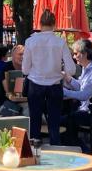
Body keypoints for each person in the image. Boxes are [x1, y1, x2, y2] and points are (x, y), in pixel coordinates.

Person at [22, 9, 75, 144]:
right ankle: (55, 150)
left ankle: (35, 150)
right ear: (54, 24)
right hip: (55, 85)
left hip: (35, 85)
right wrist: (61, 71)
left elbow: (25, 69)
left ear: (40, 24)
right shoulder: (60, 42)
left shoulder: (30, 41)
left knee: (35, 122)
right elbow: (72, 69)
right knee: (54, 124)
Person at [61, 39, 92, 153]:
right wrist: (68, 79)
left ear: (84, 54)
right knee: (64, 121)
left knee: (64, 122)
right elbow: (81, 87)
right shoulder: (88, 68)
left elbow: (84, 95)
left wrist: (63, 91)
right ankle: (79, 151)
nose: (74, 57)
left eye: (76, 53)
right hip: (88, 111)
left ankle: (86, 153)